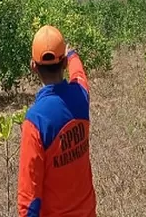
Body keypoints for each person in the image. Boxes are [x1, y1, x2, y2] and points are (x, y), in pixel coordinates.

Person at [17, 25, 96, 217]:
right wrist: (72, 55)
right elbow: (79, 74)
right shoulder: (81, 96)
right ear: (63, 65)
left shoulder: (36, 121)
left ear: (33, 67)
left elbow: (28, 200)